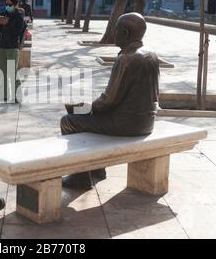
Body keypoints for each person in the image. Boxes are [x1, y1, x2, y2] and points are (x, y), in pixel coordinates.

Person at [60, 12, 160, 189]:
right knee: (83, 116)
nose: (114, 33)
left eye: (117, 29)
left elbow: (109, 101)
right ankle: (97, 169)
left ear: (126, 34)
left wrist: (86, 109)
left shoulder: (127, 58)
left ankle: (80, 176)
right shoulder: (150, 54)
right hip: (146, 121)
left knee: (69, 121)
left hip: (127, 124)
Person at [0, 0, 25, 102]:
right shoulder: (3, 13)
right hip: (1, 46)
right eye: (6, 4)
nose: (7, 6)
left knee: (12, 72)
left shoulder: (19, 17)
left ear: (15, 4)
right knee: (2, 72)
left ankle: (17, 96)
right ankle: (4, 95)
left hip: (12, 48)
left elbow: (17, 32)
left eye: (10, 4)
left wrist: (7, 23)